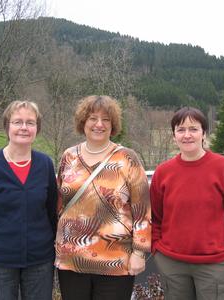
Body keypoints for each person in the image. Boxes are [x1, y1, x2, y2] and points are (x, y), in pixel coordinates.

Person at [55, 95, 151, 300]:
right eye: (92, 118)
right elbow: (59, 204)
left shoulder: (127, 158)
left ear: (113, 124)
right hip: (72, 259)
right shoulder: (69, 156)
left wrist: (140, 252)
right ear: (83, 122)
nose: (99, 124)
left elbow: (142, 210)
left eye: (106, 119)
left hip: (115, 261)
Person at [150, 106, 224, 300]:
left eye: (193, 129)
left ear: (204, 133)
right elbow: (155, 218)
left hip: (214, 264)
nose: (187, 135)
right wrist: (157, 250)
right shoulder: (163, 173)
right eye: (181, 130)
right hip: (172, 264)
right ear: (174, 136)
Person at [0, 100, 58, 300]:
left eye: (30, 123)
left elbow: (51, 211)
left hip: (39, 261)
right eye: (17, 122)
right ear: (7, 127)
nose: (24, 127)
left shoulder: (45, 164)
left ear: (37, 128)